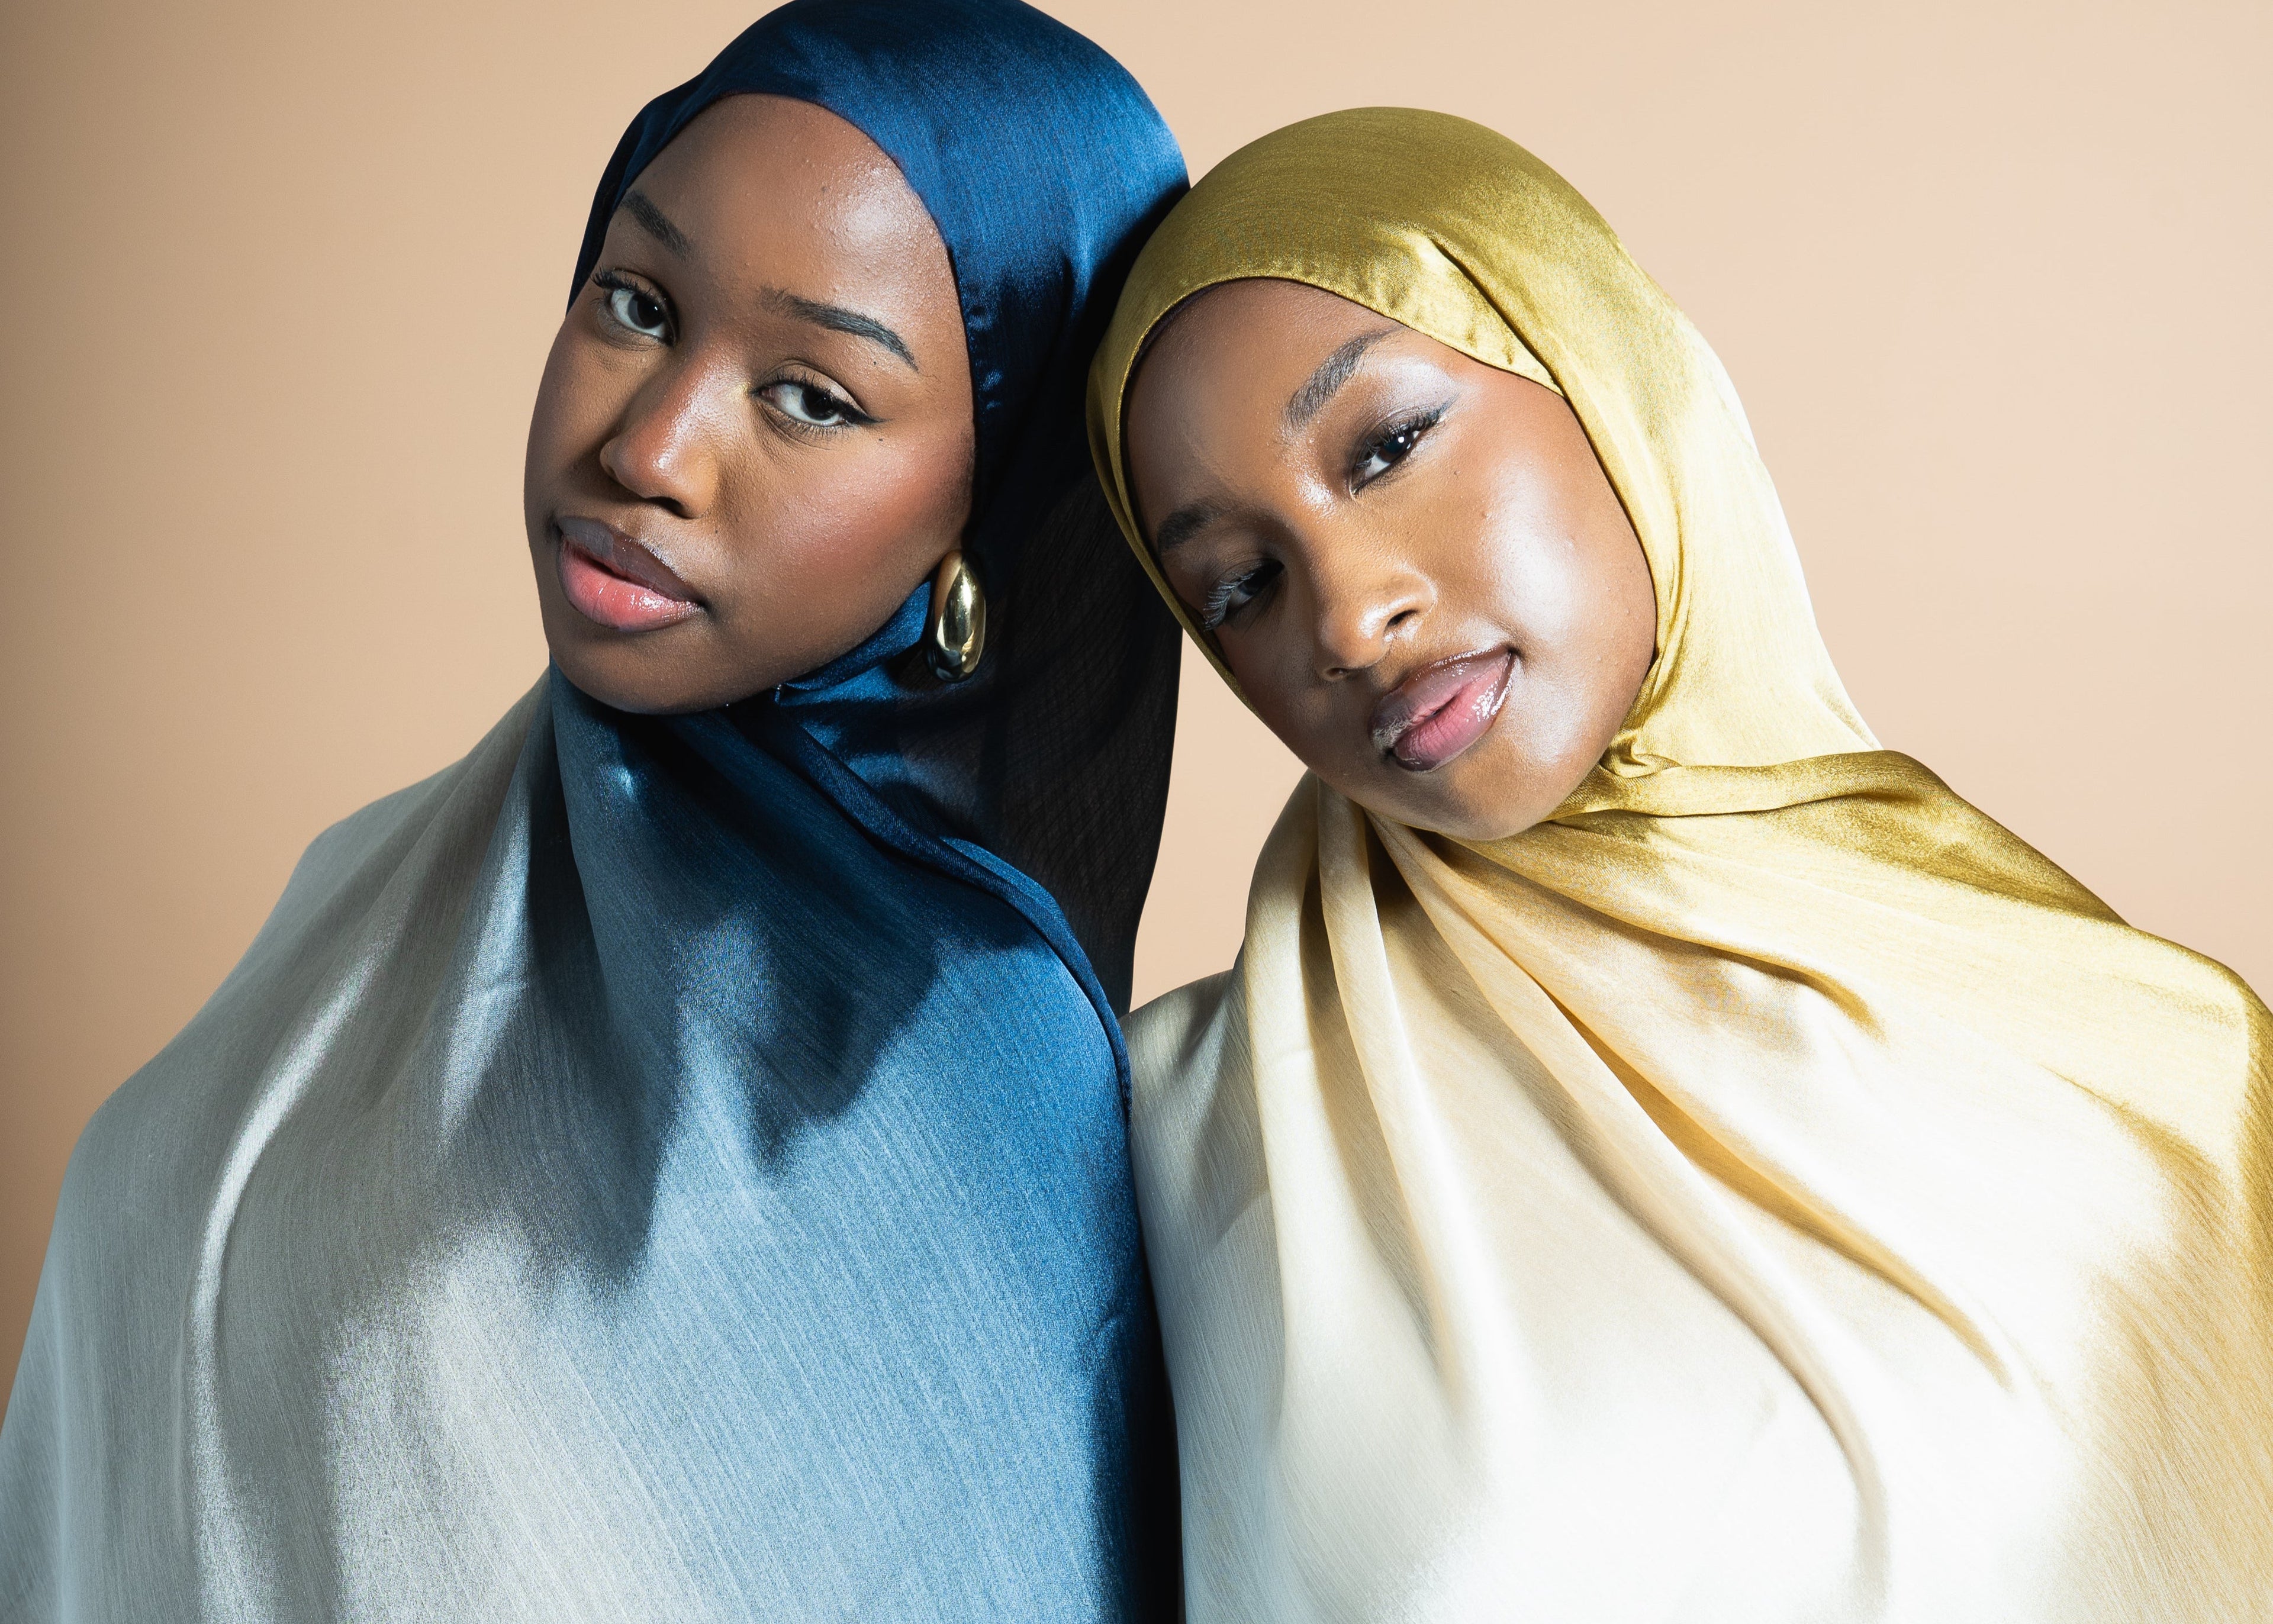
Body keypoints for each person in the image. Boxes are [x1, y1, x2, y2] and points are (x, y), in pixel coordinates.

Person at [1, 2, 1187, 1617]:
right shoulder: (380, 888)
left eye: (812, 396)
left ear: (997, 503)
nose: (650, 448)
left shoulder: (980, 1082)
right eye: (635, 304)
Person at [1086, 107, 2272, 1623]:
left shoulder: (2149, 1075)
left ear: (1608, 374)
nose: (1344, 615)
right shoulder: (1181, 1132)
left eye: (1385, 446)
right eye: (1237, 585)